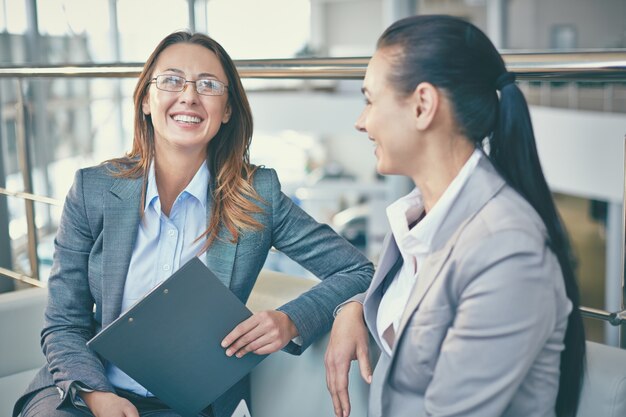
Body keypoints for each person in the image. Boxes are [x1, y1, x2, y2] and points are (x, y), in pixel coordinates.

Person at [14, 31, 373, 417]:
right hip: (83, 394)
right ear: (147, 100)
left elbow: (358, 269)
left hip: (187, 406)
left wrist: (293, 319)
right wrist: (98, 396)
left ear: (228, 110)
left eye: (208, 85)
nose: (188, 96)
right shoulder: (93, 190)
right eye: (171, 80)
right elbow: (63, 323)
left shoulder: (258, 195)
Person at [324, 15, 585, 417]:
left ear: (423, 105)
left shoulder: (506, 251)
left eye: (370, 99)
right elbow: (419, 305)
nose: (362, 121)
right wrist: (355, 306)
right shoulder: (422, 214)